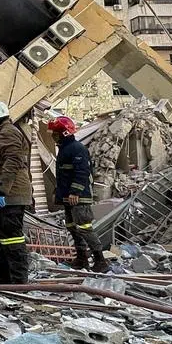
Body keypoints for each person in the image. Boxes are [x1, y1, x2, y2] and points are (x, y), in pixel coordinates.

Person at [0, 101, 33, 284]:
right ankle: (4, 277)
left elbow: (13, 161)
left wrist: (2, 190)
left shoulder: (8, 132)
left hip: (10, 195)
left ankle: (19, 281)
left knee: (12, 238)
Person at [48, 115, 109, 273]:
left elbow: (81, 172)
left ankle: (100, 260)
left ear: (64, 133)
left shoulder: (77, 149)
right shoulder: (65, 149)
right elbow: (64, 175)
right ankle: (82, 258)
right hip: (69, 197)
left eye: (55, 133)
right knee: (72, 227)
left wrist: (75, 192)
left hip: (78, 197)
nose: (53, 136)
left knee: (84, 227)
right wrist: (59, 193)